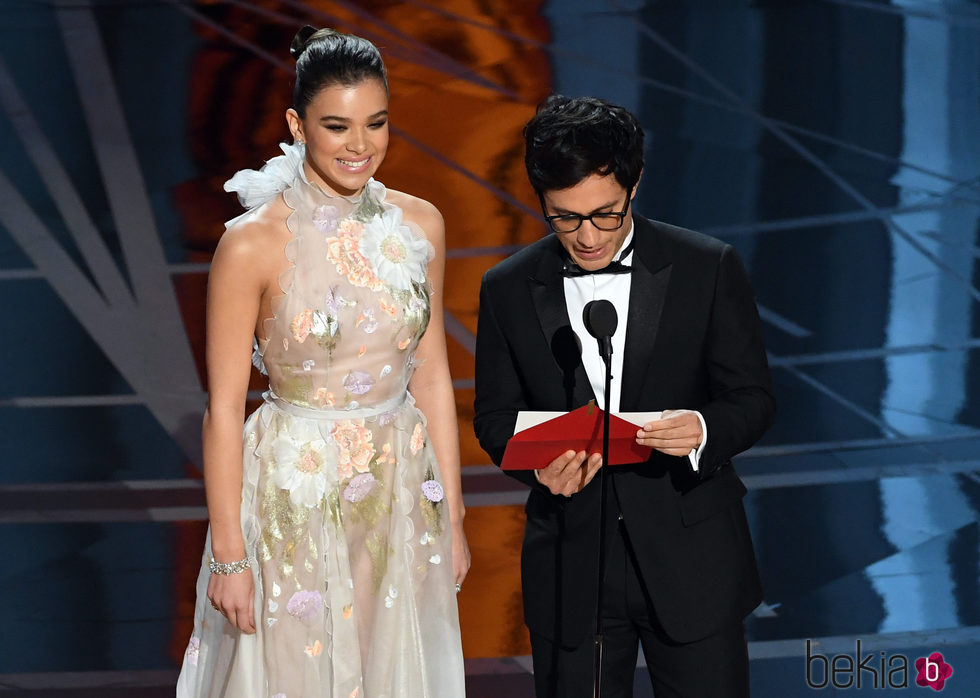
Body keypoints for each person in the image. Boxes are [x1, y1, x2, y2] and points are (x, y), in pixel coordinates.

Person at [177, 26, 468, 698]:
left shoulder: (419, 225)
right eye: (337, 126)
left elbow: (429, 372)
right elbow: (223, 409)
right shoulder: (251, 246)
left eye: (376, 123)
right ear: (296, 123)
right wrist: (229, 557)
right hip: (294, 493)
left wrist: (450, 514)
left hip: (399, 487)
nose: (359, 146)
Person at [473, 95, 776, 697]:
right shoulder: (507, 287)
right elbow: (494, 418)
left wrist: (703, 429)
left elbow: (753, 397)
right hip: (572, 562)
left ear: (635, 184)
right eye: (564, 217)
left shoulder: (706, 267)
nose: (587, 237)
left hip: (693, 557)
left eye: (604, 214)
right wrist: (542, 468)